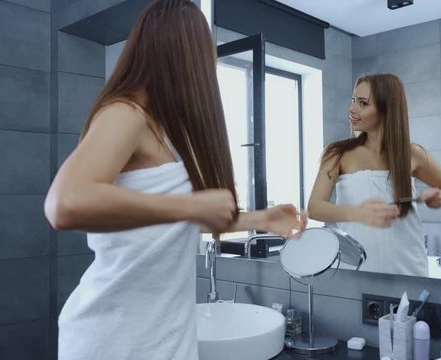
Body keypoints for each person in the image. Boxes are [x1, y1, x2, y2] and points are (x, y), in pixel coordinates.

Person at [44, 1, 305, 359]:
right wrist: (190, 203)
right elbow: (64, 204)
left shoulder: (164, 132)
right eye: (203, 51)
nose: (208, 65)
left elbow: (164, 224)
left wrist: (259, 219)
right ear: (179, 52)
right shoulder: (125, 113)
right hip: (114, 339)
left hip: (165, 335)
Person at [308, 73, 441, 276]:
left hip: (408, 268)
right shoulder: (337, 154)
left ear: (386, 109)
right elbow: (315, 207)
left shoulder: (412, 154)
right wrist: (358, 213)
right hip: (357, 270)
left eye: (363, 103)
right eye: (353, 100)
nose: (352, 109)